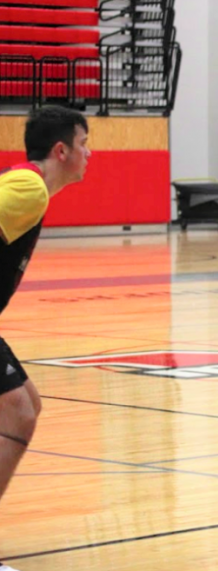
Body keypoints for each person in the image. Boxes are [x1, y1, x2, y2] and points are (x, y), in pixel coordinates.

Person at [0, 106, 90, 571]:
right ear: (62, 150)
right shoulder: (27, 187)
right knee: (18, 411)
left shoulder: (28, 189)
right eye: (83, 143)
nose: (88, 153)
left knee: (28, 405)